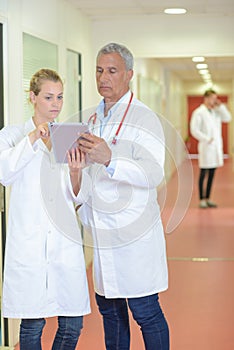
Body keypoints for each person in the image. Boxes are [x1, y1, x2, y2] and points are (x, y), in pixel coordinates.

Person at [75, 43, 169, 350]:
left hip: (133, 236)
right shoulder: (90, 119)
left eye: (112, 70)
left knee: (145, 312)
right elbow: (87, 176)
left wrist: (110, 158)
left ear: (128, 74)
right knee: (110, 314)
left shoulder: (144, 119)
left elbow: (154, 173)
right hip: (102, 234)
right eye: (99, 70)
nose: (104, 77)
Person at [0, 68, 90, 349]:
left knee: (73, 323)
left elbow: (77, 196)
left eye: (60, 97)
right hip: (29, 241)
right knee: (32, 323)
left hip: (64, 241)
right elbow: (4, 173)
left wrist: (76, 171)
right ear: (33, 97)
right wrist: (32, 139)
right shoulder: (13, 135)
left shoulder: (69, 136)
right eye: (49, 97)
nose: (56, 103)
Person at [190, 89, 232, 208]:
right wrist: (207, 138)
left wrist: (221, 107)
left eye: (215, 98)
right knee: (204, 173)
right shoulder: (199, 112)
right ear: (206, 98)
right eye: (213, 98)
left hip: (215, 148)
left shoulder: (216, 112)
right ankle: (202, 199)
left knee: (212, 173)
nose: (215, 100)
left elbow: (228, 118)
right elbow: (194, 130)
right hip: (206, 146)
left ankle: (208, 198)